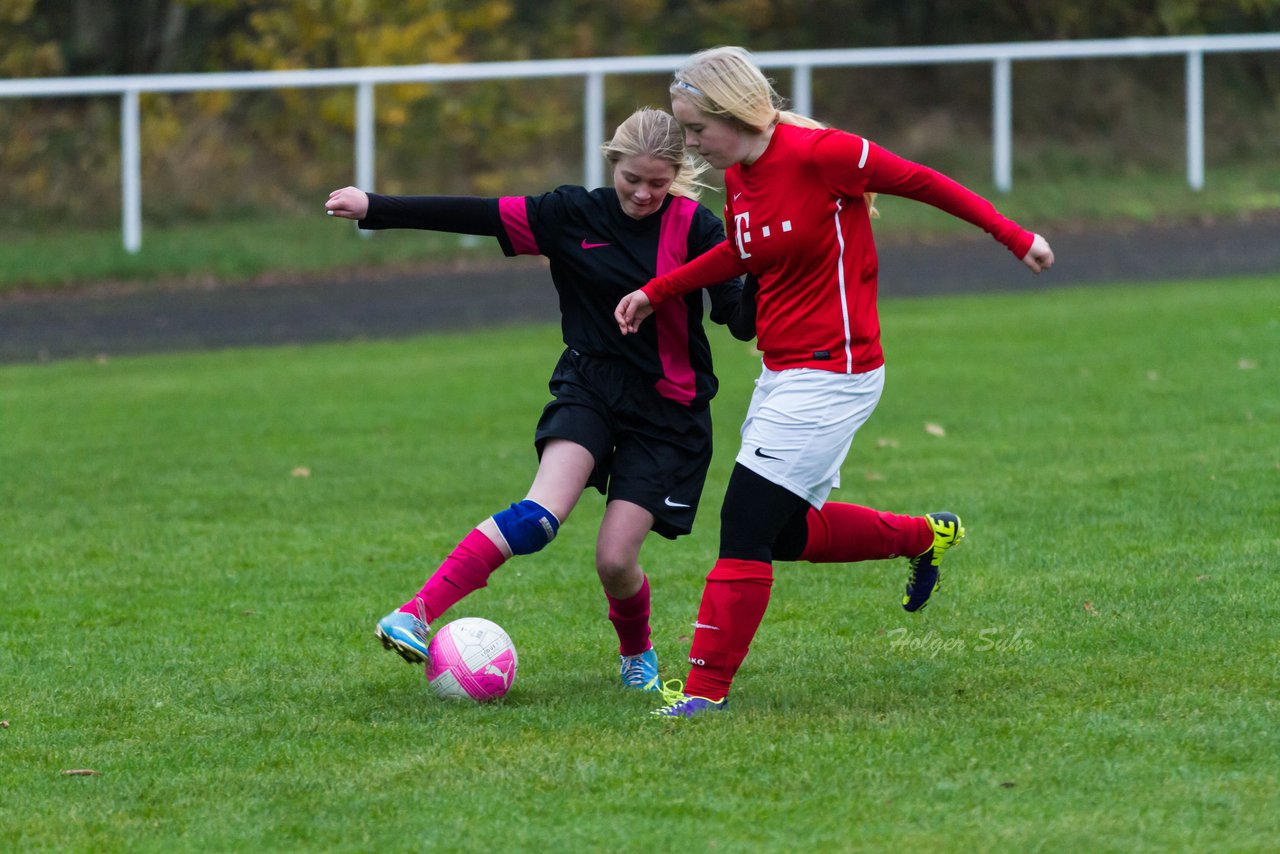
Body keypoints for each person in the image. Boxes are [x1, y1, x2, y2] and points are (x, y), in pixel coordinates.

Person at [614, 47, 1055, 717]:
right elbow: (743, 250)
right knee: (784, 534)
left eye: (698, 129)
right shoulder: (740, 174)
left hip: (835, 372)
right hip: (783, 371)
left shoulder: (824, 155)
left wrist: (1014, 236)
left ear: (735, 113)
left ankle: (703, 694)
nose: (692, 145)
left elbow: (925, 181)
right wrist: (657, 291)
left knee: (743, 527)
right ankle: (922, 536)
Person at [326, 107, 754, 692]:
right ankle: (414, 613)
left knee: (615, 560)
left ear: (677, 173)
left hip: (668, 410)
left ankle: (637, 651)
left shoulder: (696, 227)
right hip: (590, 386)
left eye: (659, 182)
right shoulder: (570, 213)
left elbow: (739, 316)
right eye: (633, 179)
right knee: (538, 517)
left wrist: (762, 278)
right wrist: (375, 206)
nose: (645, 193)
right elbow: (476, 214)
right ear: (614, 164)